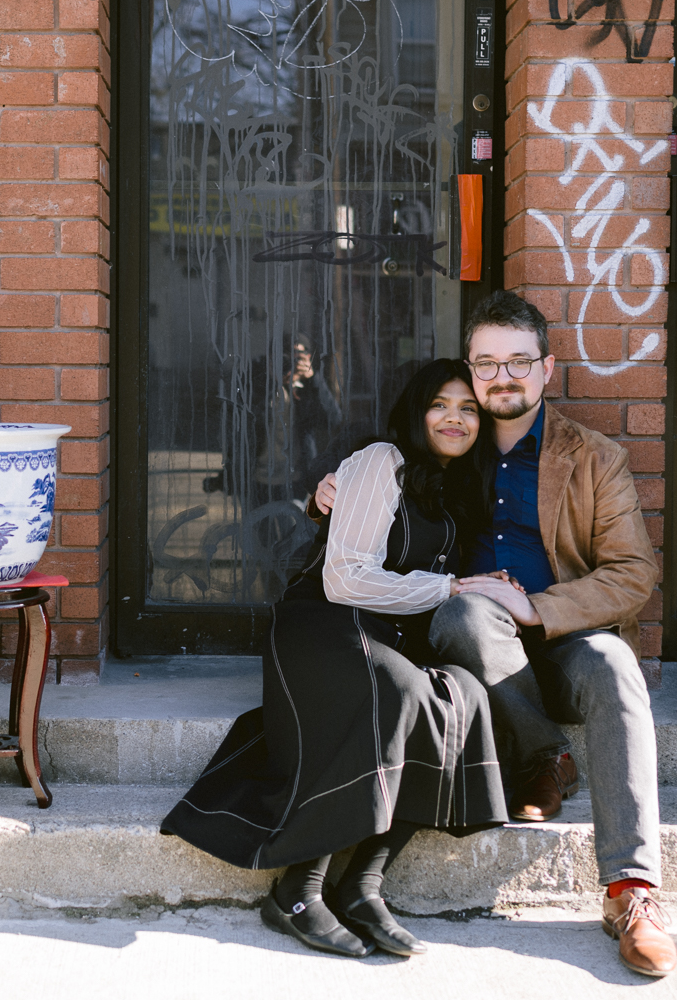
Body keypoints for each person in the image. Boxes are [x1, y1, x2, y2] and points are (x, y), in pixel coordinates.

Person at [311, 291, 673, 978]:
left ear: (546, 368)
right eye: (486, 364)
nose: (501, 377)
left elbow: (633, 573)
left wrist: (537, 607)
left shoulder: (594, 458)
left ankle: (633, 893)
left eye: (518, 362)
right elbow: (385, 490)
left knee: (616, 665)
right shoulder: (452, 446)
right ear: (470, 371)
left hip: (562, 643)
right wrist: (331, 491)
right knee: (468, 613)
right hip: (468, 648)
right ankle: (547, 756)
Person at [161, 359, 508, 959]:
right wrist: (450, 588)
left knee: (462, 694)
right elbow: (345, 578)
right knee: (397, 690)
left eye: (467, 408)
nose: (454, 418)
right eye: (440, 405)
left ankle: (362, 889)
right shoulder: (382, 461)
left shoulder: (460, 486)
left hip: (388, 636)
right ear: (415, 412)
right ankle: (297, 891)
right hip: (322, 625)